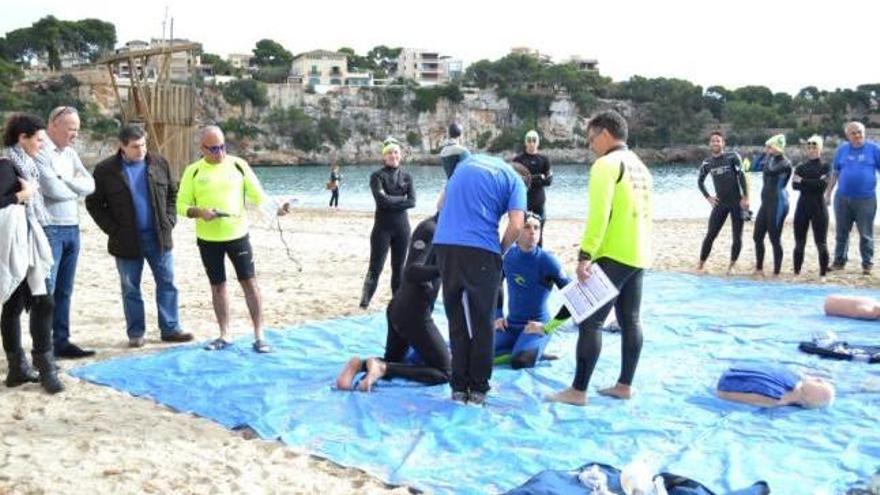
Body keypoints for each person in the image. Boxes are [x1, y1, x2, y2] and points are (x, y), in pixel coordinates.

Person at [547, 110, 652, 407]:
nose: (590, 145)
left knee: (590, 321)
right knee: (630, 319)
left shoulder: (606, 165)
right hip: (639, 253)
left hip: (613, 253)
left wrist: (585, 255)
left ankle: (578, 391)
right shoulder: (640, 166)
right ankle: (624, 385)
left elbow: (599, 215)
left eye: (591, 138)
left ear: (605, 134)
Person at [177, 125, 285, 353]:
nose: (220, 153)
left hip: (238, 235)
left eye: (223, 147)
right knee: (218, 286)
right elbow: (180, 206)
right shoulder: (193, 171)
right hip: (208, 238)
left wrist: (277, 208)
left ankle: (259, 335)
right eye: (214, 149)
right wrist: (200, 212)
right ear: (202, 148)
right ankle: (225, 334)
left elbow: (258, 196)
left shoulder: (238, 165)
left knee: (250, 283)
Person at [85, 125, 194, 348]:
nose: (141, 150)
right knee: (130, 287)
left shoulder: (159, 163)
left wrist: (170, 220)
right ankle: (136, 333)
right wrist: (112, 229)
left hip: (158, 236)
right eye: (135, 146)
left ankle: (170, 329)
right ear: (122, 146)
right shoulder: (106, 170)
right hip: (125, 240)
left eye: (144, 144)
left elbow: (173, 194)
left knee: (167, 283)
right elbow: (94, 204)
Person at [434, 154, 527, 406]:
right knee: (483, 321)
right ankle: (477, 389)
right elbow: (517, 224)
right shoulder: (515, 181)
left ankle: (457, 387)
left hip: (444, 243)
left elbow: (441, 203)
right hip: (481, 248)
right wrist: (500, 250)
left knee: (457, 318)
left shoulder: (467, 162)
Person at [337, 215, 450, 391]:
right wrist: (447, 269)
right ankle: (383, 368)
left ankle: (361, 365)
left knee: (396, 361)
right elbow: (412, 271)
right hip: (412, 313)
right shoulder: (430, 229)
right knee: (445, 371)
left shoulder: (444, 230)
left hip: (400, 307)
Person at [1, 114, 64, 393]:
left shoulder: (28, 165)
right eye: (38, 139)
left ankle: (20, 368)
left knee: (23, 304)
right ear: (22, 138)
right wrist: (20, 196)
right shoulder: (6, 164)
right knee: (41, 302)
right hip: (16, 244)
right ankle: (44, 368)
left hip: (30, 238)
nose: (41, 144)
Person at [34, 106, 95, 359]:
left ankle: (62, 341)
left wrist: (67, 182)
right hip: (51, 228)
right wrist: (73, 188)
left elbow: (90, 185)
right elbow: (51, 189)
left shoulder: (69, 153)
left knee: (65, 290)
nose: (75, 135)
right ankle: (44, 349)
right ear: (53, 125)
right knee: (47, 292)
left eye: (77, 129)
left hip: (72, 227)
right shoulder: (40, 151)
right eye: (71, 129)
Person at [493, 212, 571, 369]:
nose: (533, 232)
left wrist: (548, 327)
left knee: (520, 362)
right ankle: (522, 346)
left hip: (535, 326)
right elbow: (496, 284)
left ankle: (531, 349)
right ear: (517, 230)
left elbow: (577, 298)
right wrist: (498, 315)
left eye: (537, 228)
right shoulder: (509, 256)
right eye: (527, 227)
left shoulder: (547, 261)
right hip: (510, 325)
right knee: (475, 351)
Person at [358, 140, 416, 309]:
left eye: (396, 152)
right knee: (375, 266)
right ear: (384, 157)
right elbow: (381, 201)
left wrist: (391, 199)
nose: (393, 156)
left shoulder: (407, 177)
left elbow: (412, 202)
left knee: (399, 267)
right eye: (389, 153)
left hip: (402, 229)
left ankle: (397, 301)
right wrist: (400, 199)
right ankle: (365, 301)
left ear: (400, 156)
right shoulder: (377, 176)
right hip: (382, 228)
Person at [824, 121, 880, 275]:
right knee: (841, 233)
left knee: (866, 233)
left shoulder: (874, 149)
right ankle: (839, 262)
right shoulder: (841, 150)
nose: (857, 135)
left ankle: (867, 264)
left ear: (864, 132)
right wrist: (828, 193)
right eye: (853, 133)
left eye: (859, 132)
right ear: (847, 135)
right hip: (842, 198)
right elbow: (835, 173)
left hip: (866, 199)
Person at [697, 131, 749, 274]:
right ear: (709, 144)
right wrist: (708, 197)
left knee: (737, 236)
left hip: (736, 203)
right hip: (720, 204)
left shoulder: (733, 157)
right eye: (713, 141)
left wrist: (746, 197)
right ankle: (701, 264)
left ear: (723, 143)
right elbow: (700, 181)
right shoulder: (707, 162)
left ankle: (731, 266)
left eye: (718, 141)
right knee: (710, 234)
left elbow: (742, 176)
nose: (715, 143)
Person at [751, 134, 792, 277]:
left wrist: (767, 156)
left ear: (777, 147)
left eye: (769, 147)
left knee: (774, 238)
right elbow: (753, 167)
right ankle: (759, 268)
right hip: (766, 203)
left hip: (779, 203)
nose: (767, 149)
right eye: (767, 147)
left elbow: (771, 171)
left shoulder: (785, 163)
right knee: (757, 236)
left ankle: (776, 272)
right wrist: (764, 154)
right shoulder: (770, 159)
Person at [792, 135, 831, 278]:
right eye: (809, 147)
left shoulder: (826, 166)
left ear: (820, 148)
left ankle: (823, 275)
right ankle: (796, 273)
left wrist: (803, 181)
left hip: (819, 208)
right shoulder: (800, 167)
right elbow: (794, 186)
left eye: (814, 147)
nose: (811, 149)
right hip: (802, 207)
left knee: (821, 243)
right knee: (799, 243)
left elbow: (822, 186)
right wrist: (813, 181)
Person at [716, 364, 834, 409]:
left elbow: (725, 394)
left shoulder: (775, 397)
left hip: (731, 376)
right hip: (731, 378)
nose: (819, 378)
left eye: (819, 381)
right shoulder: (776, 398)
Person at [513, 130, 552, 245]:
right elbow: (516, 181)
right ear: (525, 142)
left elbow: (549, 181)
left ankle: (538, 256)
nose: (531, 143)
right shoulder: (518, 160)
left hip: (539, 201)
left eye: (534, 140)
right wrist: (539, 178)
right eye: (529, 140)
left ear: (538, 142)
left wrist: (529, 178)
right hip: (523, 201)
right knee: (520, 231)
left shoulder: (544, 160)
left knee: (538, 233)